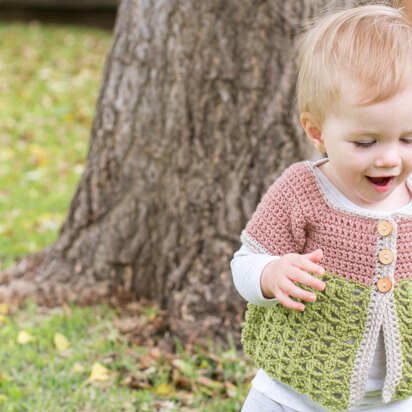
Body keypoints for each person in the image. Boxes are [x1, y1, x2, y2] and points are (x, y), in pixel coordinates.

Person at [231, 4, 412, 412]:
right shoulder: (303, 190)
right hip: (292, 394)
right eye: (365, 142)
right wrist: (271, 274)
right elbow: (244, 262)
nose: (389, 159)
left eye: (408, 138)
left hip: (392, 401)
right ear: (317, 132)